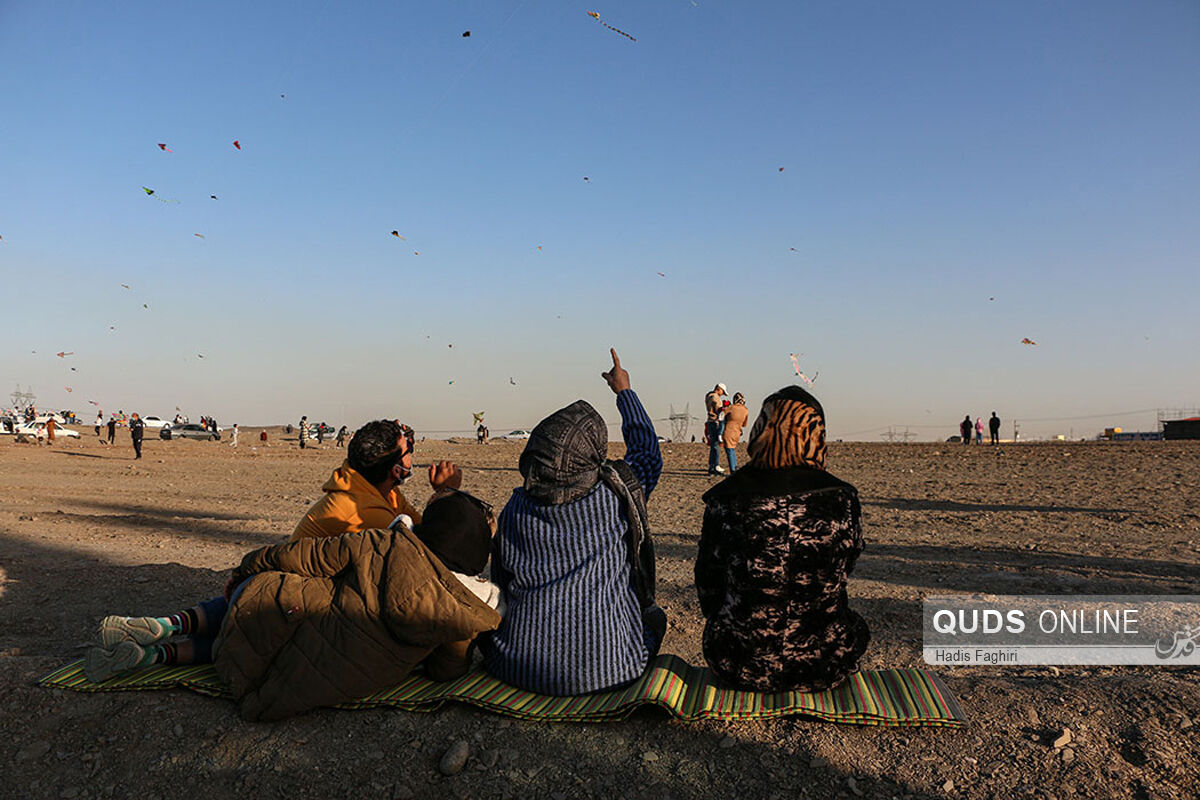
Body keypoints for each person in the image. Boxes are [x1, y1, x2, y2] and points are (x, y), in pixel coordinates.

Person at [82, 493, 502, 721]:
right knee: (263, 646)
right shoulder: (463, 612)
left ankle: (164, 627)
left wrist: (246, 567)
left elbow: (299, 557)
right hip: (321, 680)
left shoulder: (380, 543)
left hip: (282, 619)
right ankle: (155, 654)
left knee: (263, 601)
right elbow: (446, 671)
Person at [481, 349, 665, 696]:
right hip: (613, 670)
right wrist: (624, 391)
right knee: (655, 619)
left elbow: (502, 583)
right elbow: (647, 454)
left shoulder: (514, 509)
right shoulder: (616, 496)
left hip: (516, 666)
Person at [695, 385, 870, 691]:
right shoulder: (842, 499)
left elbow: (708, 581)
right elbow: (845, 569)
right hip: (826, 664)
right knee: (856, 625)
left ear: (762, 429)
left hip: (736, 664)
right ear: (818, 435)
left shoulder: (725, 499)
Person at [291, 420, 462, 541]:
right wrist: (447, 494)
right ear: (396, 470)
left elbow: (420, 527)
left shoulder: (382, 490)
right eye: (408, 449)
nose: (411, 453)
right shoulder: (362, 512)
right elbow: (425, 550)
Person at [721, 392, 749, 472]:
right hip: (737, 433)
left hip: (728, 431)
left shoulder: (731, 407)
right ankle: (734, 466)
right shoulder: (745, 410)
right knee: (732, 450)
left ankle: (733, 469)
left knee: (729, 450)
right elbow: (744, 424)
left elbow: (721, 415)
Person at [704, 383, 728, 475]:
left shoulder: (708, 396)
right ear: (719, 389)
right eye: (722, 392)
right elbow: (719, 410)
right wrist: (724, 408)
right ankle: (715, 465)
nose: (722, 394)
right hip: (715, 421)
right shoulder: (715, 397)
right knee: (716, 445)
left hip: (710, 422)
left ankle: (711, 465)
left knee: (713, 445)